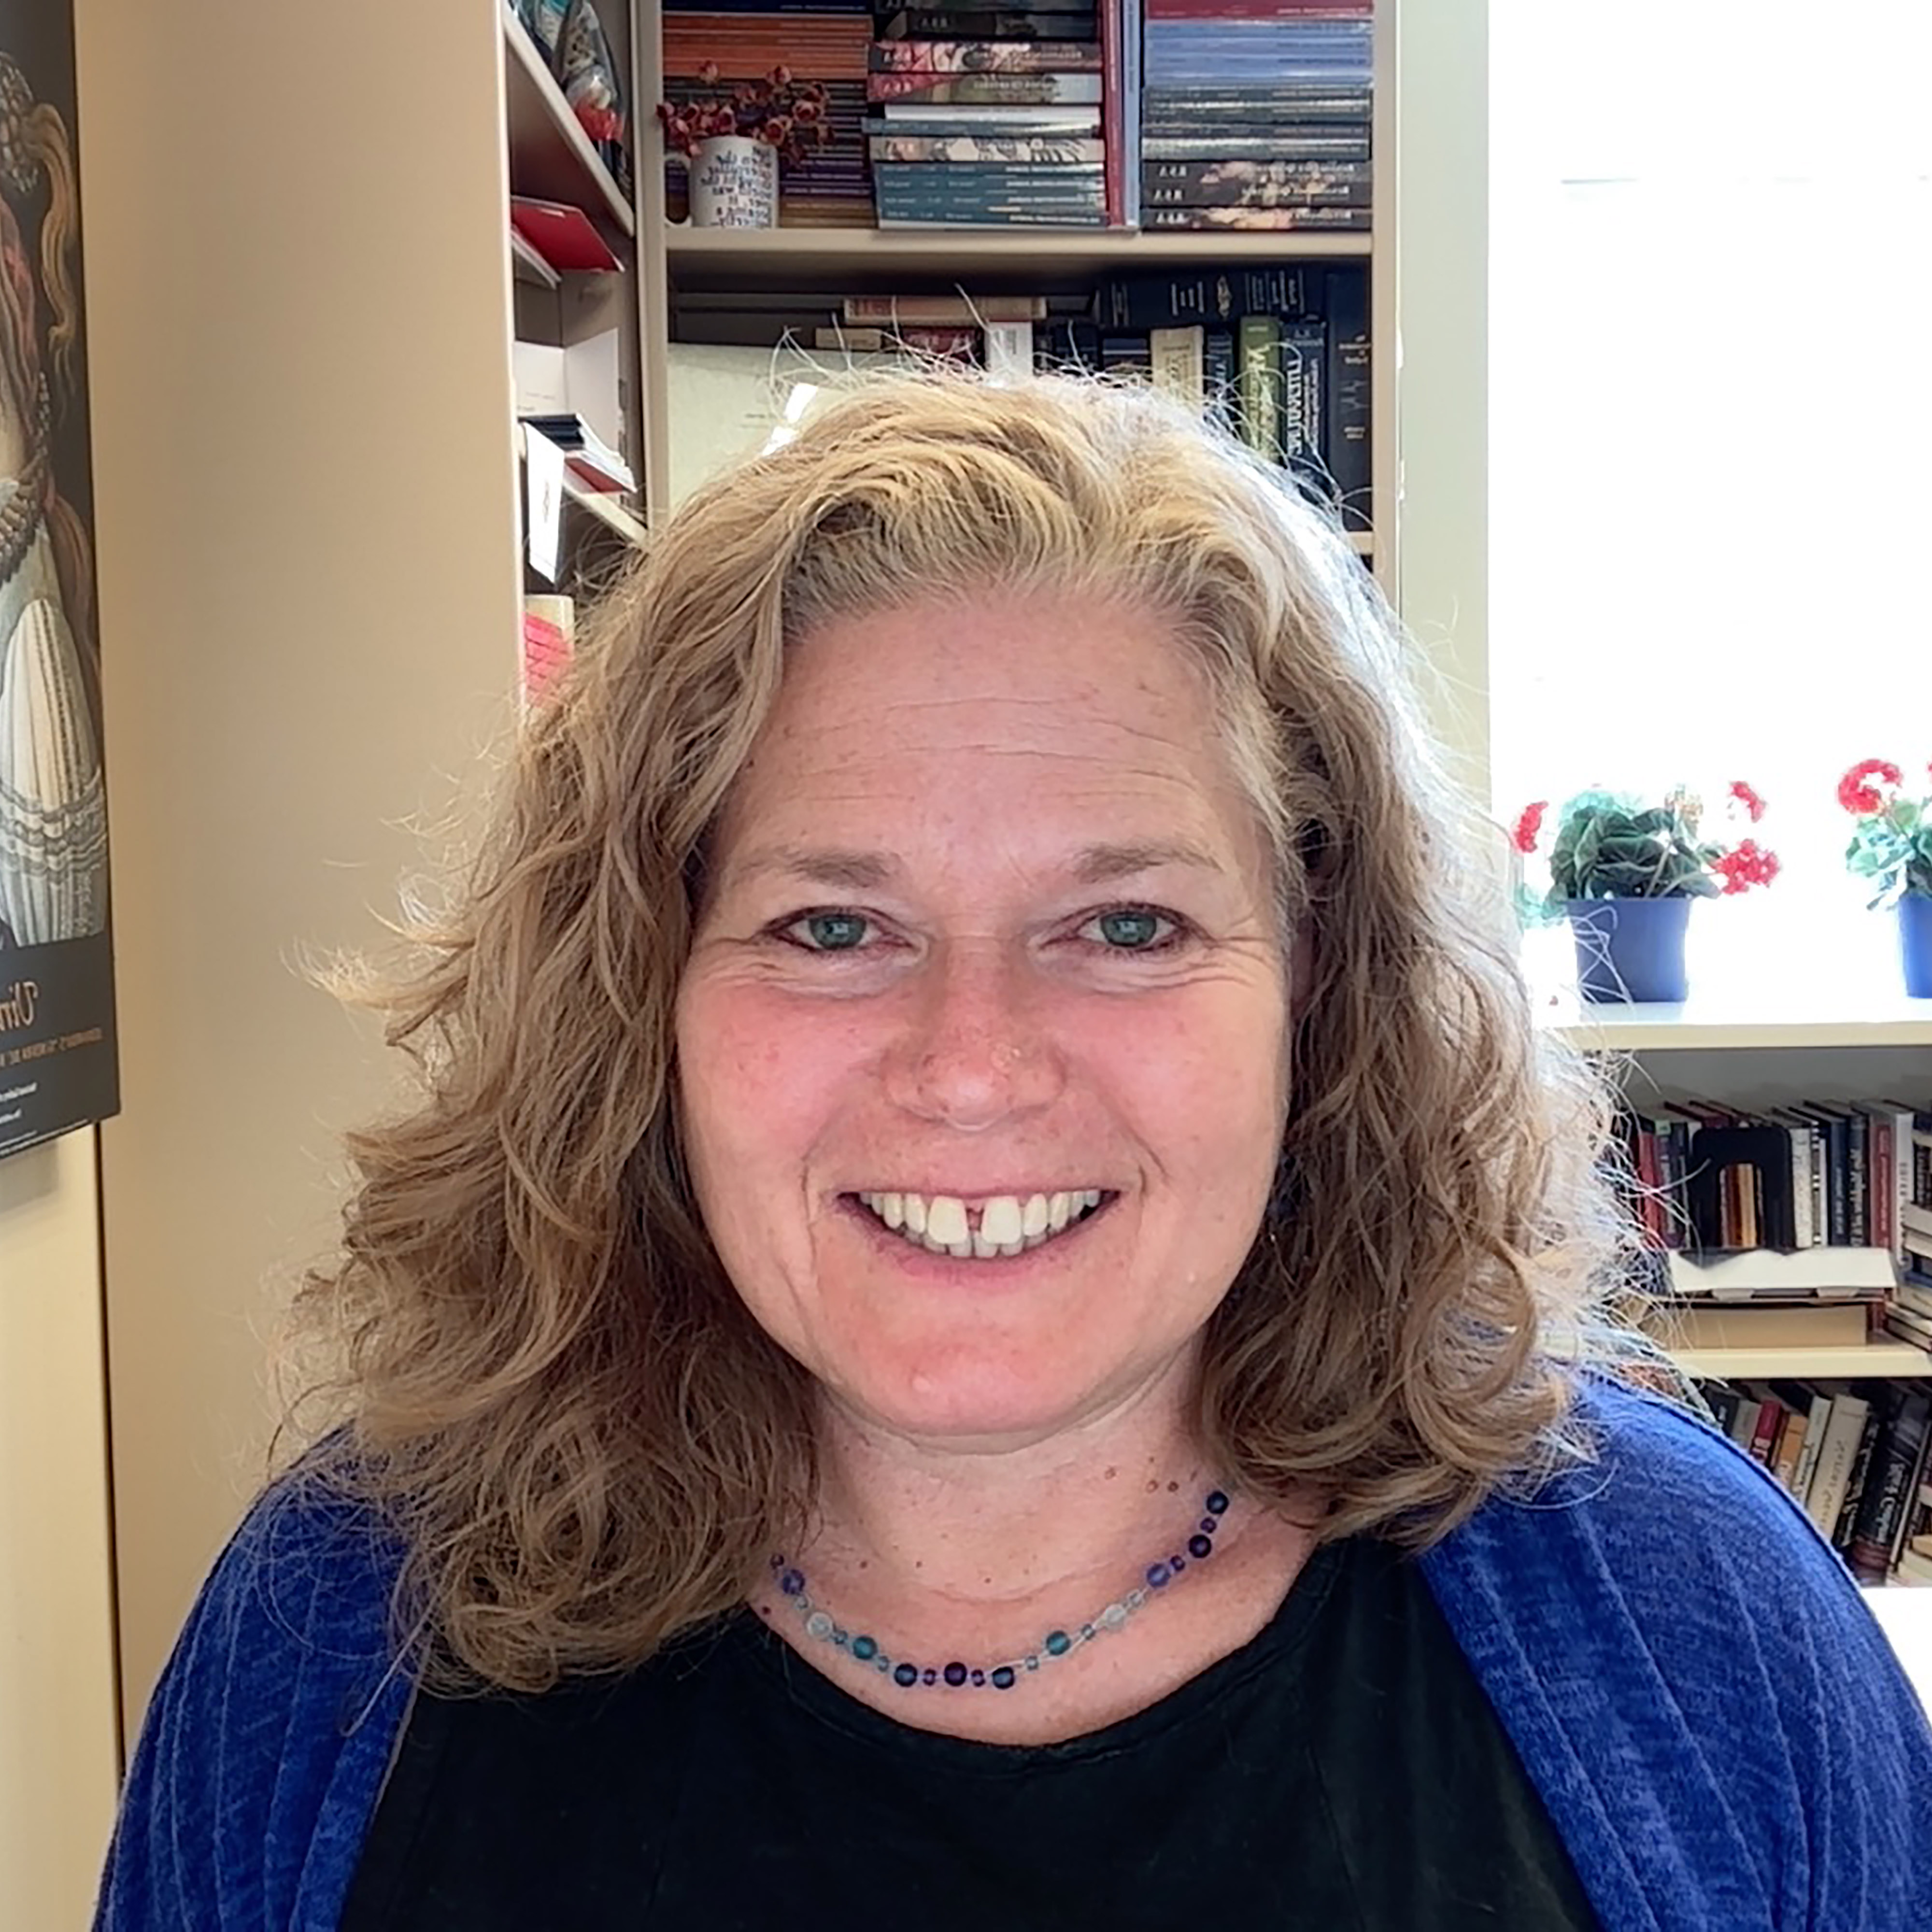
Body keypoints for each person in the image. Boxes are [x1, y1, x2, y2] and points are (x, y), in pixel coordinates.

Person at [97, 373, 1932, 1930]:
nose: (971, 1071)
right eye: (833, 926)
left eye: (1125, 925)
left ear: (1321, 989)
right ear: (640, 1004)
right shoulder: (338, 1632)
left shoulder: (1687, 1625)